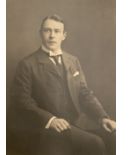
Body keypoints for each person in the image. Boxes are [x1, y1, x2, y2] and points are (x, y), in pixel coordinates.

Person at [7, 14, 116, 155]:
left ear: (64, 35)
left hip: (76, 123)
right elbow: (21, 101)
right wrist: (50, 120)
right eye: (47, 30)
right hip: (45, 128)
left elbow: (84, 93)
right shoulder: (27, 64)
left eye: (57, 31)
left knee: (114, 138)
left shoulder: (73, 60)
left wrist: (102, 118)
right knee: (94, 144)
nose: (52, 35)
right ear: (41, 34)